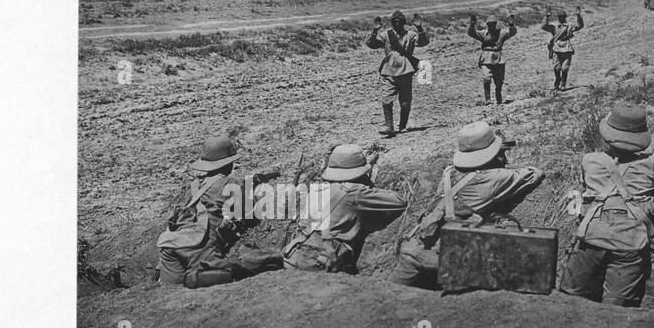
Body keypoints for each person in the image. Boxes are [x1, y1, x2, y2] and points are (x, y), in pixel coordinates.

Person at [390, 121, 545, 289]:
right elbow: (534, 173)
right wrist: (505, 164)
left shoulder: (448, 172)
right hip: (448, 259)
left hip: (413, 250)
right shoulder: (494, 178)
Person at [559, 101, 654, 307]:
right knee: (617, 309)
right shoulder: (652, 163)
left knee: (570, 299)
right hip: (629, 242)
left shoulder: (590, 160)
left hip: (592, 236)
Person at [155, 135, 284, 288]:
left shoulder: (192, 186)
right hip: (198, 247)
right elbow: (253, 219)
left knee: (168, 293)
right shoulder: (232, 184)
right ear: (228, 164)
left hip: (169, 246)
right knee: (224, 276)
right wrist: (249, 190)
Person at [283, 143, 406, 273]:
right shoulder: (356, 192)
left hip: (293, 256)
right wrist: (367, 182)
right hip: (319, 264)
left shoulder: (318, 188)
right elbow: (400, 202)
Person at [366, 10, 429, 137]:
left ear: (404, 22)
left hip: (405, 71)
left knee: (405, 102)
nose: (397, 23)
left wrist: (420, 28)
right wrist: (374, 30)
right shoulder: (387, 35)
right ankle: (389, 126)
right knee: (386, 100)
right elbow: (371, 44)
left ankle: (403, 126)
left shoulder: (410, 35)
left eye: (399, 21)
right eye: (394, 21)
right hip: (389, 71)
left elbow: (424, 42)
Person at [467, 13, 518, 104]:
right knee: (486, 78)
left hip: (498, 59)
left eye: (493, 24)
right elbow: (471, 33)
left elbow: (512, 32)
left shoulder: (501, 33)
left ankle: (498, 94)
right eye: (489, 24)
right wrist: (472, 24)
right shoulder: (483, 34)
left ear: (496, 24)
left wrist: (511, 24)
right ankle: (488, 99)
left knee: (499, 81)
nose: (491, 26)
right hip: (486, 59)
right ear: (487, 25)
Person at [541, 6, 585, 92]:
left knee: (565, 68)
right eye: (560, 17)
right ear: (558, 18)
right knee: (557, 68)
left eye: (563, 17)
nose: (561, 18)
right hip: (556, 48)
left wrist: (579, 16)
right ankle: (558, 80)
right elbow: (543, 26)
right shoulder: (554, 27)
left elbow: (580, 26)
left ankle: (563, 84)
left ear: (565, 17)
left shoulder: (569, 26)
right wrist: (546, 16)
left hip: (567, 48)